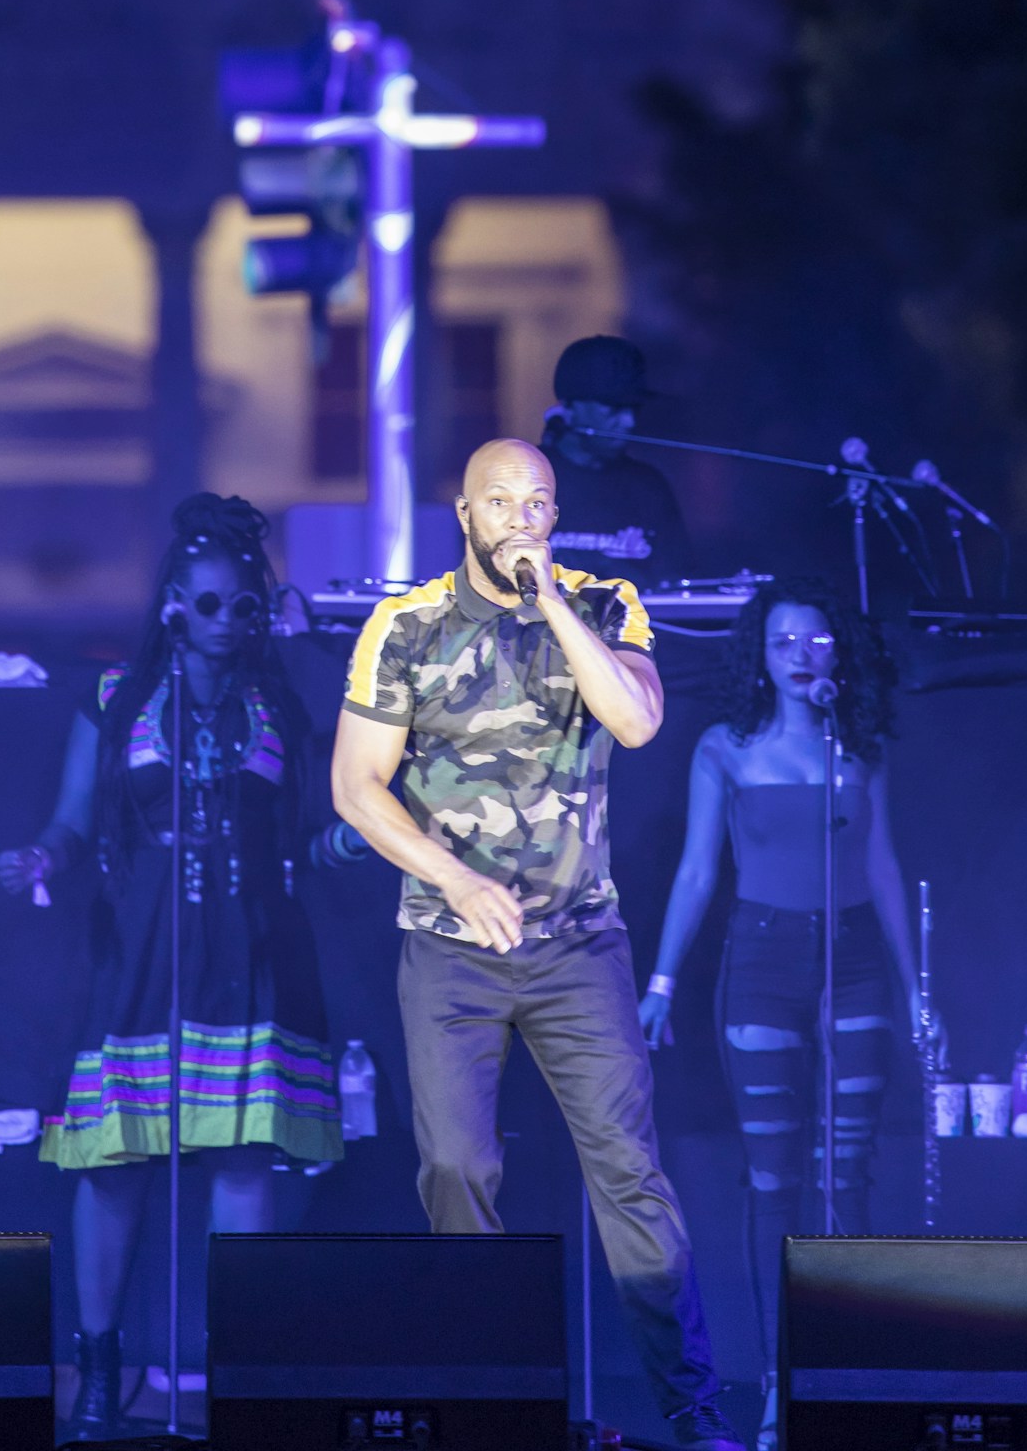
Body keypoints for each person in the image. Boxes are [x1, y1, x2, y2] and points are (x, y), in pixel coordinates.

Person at [332, 437, 742, 1451]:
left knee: (628, 1170)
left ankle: (693, 1413)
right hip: (448, 943)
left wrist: (551, 601)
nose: (522, 517)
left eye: (539, 502)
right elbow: (354, 787)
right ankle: (486, 1406)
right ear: (464, 516)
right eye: (500, 502)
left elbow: (638, 723)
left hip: (579, 942)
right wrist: (458, 880)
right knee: (457, 1167)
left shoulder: (605, 603)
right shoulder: (407, 625)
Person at [0, 494, 342, 1439]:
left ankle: (237, 1366)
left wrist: (345, 844)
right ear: (171, 608)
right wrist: (38, 858)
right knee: (116, 1164)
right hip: (143, 952)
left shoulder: (281, 703)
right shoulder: (114, 701)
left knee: (241, 1156)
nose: (229, 621)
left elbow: (313, 833)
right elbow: (71, 823)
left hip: (254, 950)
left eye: (244, 605)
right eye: (210, 604)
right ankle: (101, 1370)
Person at [639, 586, 919, 1446]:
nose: (802, 653)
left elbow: (880, 869)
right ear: (758, 655)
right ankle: (772, 1388)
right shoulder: (725, 749)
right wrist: (660, 981)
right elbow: (696, 871)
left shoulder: (857, 749)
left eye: (817, 639)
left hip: (856, 963)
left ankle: (851, 1375)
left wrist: (917, 994)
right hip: (760, 964)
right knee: (774, 1181)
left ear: (839, 654)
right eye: (783, 640)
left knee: (849, 1171)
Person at [539, 332, 694, 589]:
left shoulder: (648, 485)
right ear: (569, 406)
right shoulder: (528, 476)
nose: (629, 422)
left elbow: (675, 583)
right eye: (613, 408)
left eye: (634, 409)